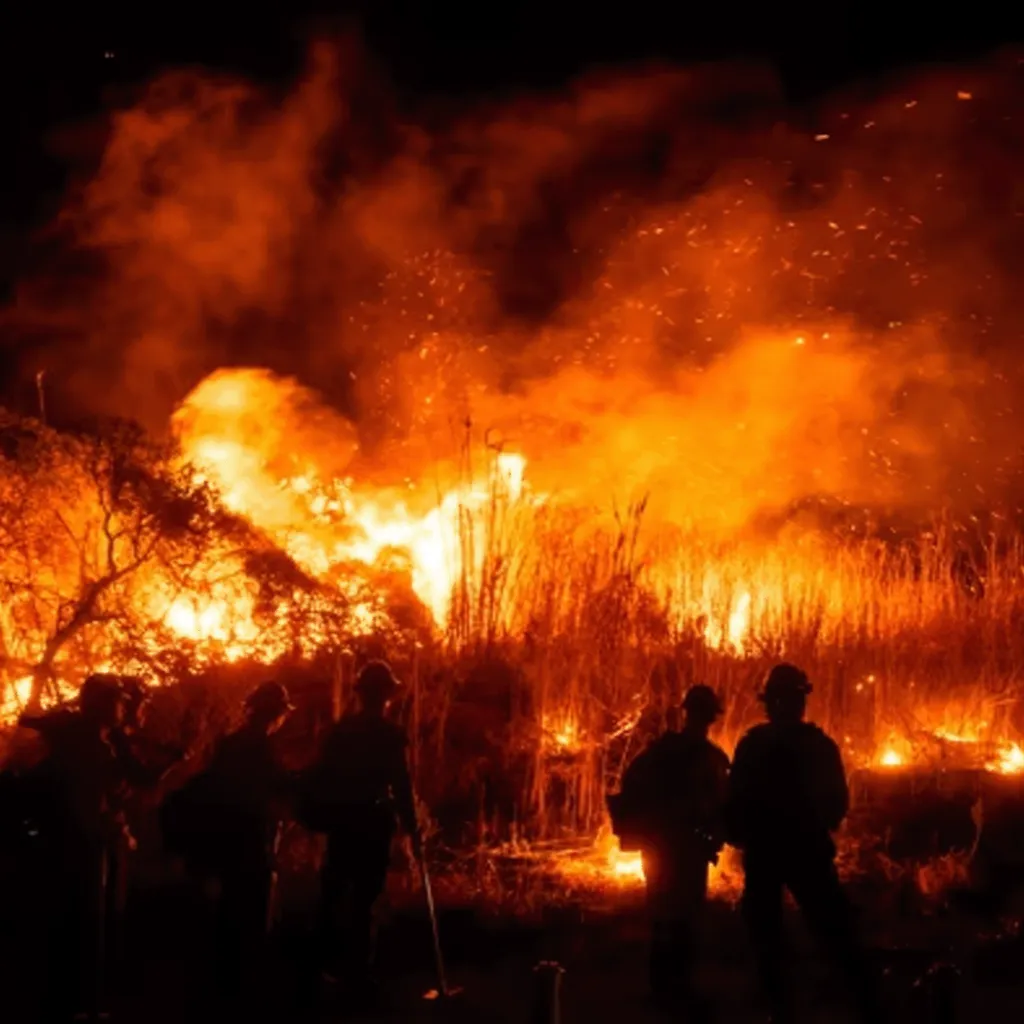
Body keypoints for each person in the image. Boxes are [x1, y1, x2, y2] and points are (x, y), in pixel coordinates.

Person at [727, 663, 883, 1024]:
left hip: (770, 851)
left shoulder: (754, 745)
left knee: (768, 934)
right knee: (831, 929)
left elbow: (734, 800)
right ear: (800, 702)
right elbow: (836, 804)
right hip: (804, 850)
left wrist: (742, 833)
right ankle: (861, 1001)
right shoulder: (818, 746)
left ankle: (783, 1005)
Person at [302, 660, 419, 1008]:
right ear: (385, 697)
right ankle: (357, 977)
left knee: (332, 896)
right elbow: (400, 783)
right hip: (370, 824)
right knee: (364, 902)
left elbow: (320, 774)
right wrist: (412, 825)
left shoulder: (341, 732)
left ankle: (315, 972)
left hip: (342, 823)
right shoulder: (388, 735)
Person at [609, 684, 729, 1018]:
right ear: (710, 718)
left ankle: (663, 990)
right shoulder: (711, 759)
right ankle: (678, 990)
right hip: (686, 851)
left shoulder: (657, 753)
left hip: (661, 849)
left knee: (664, 917)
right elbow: (722, 806)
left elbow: (630, 790)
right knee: (685, 919)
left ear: (685, 712)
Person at [19, 673, 128, 1021]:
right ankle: (75, 1004)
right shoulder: (85, 746)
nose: (122, 707)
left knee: (80, 926)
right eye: (117, 700)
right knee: (80, 925)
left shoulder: (89, 741)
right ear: (101, 704)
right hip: (78, 848)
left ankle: (75, 1001)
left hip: (79, 845)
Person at [201, 680, 294, 1017]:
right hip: (253, 841)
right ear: (276, 713)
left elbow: (211, 788)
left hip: (227, 840)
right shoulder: (262, 748)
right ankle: (245, 993)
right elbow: (277, 786)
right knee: (253, 915)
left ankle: (224, 986)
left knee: (229, 912)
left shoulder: (229, 744)